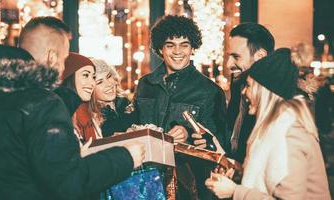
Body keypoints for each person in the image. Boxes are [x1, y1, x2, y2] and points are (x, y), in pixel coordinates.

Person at [0, 43, 145, 200]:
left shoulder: (85, 112)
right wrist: (126, 156)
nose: (91, 82)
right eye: (86, 76)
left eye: (93, 77)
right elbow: (67, 180)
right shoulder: (50, 107)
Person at [205, 48, 331, 199]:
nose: (244, 92)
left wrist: (235, 192)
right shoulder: (274, 127)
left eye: (249, 86)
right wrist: (239, 172)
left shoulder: (289, 137)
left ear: (265, 92)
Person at [134, 15, 227, 199]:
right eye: (170, 45)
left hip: (188, 187)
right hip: (146, 182)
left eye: (184, 44)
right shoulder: (145, 84)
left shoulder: (210, 91)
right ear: (160, 48)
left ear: (193, 48)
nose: (178, 51)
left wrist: (190, 137)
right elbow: (134, 128)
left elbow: (219, 145)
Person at [226, 22, 275, 163]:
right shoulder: (238, 84)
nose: (229, 64)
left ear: (260, 56)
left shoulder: (275, 99)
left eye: (236, 57)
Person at [88, 58, 135, 138]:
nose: (108, 84)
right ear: (90, 88)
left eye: (109, 76)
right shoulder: (90, 118)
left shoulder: (125, 102)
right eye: (99, 82)